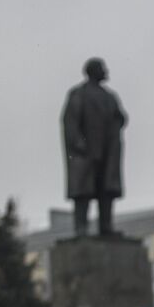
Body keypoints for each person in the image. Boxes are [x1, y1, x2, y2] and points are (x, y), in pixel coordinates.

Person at [62, 57, 127, 237]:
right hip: (86, 152)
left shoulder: (109, 96)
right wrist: (78, 142)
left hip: (107, 151)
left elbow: (120, 117)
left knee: (106, 191)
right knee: (83, 192)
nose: (106, 71)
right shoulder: (78, 94)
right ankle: (81, 228)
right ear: (93, 71)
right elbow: (70, 122)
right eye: (102, 68)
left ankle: (106, 226)